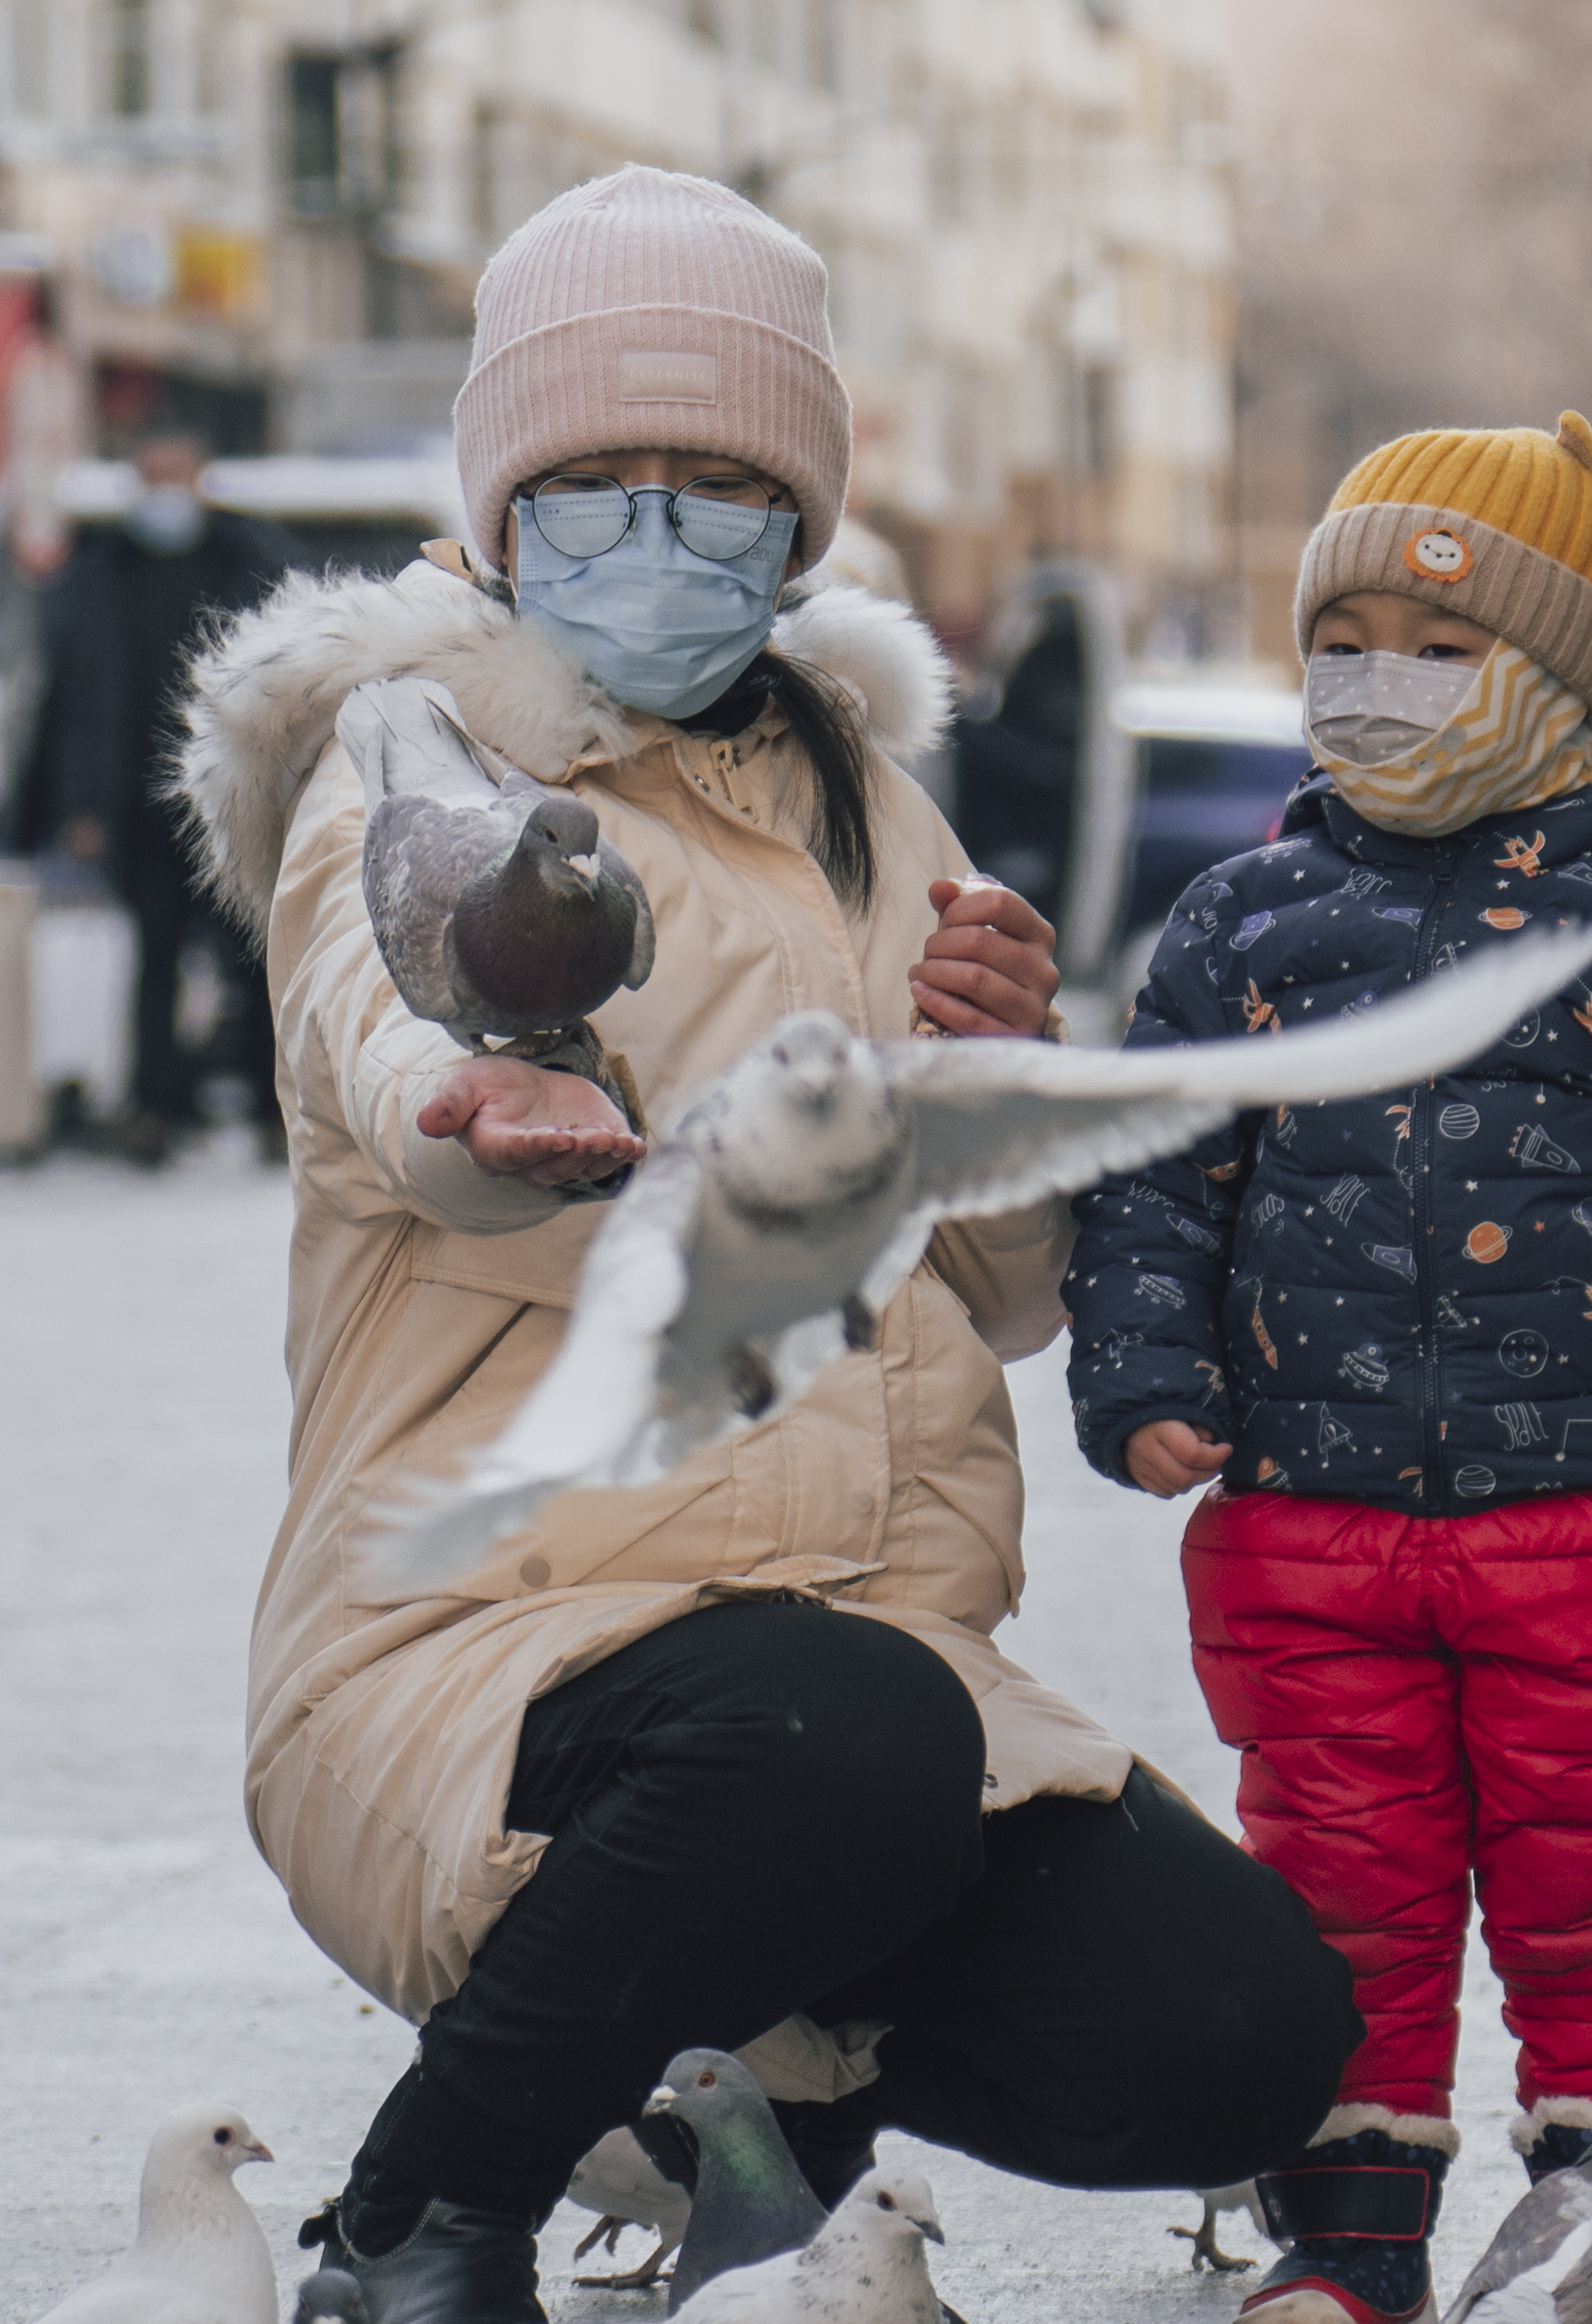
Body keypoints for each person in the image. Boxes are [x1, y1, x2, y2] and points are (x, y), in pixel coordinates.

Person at [171, 167, 1360, 2321]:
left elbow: (987, 1302)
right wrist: (469, 1095)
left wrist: (991, 1080)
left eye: (713, 482)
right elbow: (381, 1041)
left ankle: (747, 2098)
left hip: (855, 1685)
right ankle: (418, 2227)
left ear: (797, 520)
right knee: (833, 1732)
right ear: (502, 502)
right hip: (479, 1656)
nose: (651, 526)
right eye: (593, 479)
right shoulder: (404, 756)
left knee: (1240, 2035)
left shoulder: (859, 804)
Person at [1065, 412, 1592, 2324]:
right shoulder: (1237, 931)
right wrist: (1142, 1367)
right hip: (1309, 1530)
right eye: (1339, 645)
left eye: (1435, 651)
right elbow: (1155, 1176)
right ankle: (1348, 2240)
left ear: (1558, 682)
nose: (1376, 689)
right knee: (1343, 1886)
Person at [32, 428, 293, 1162]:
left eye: (176, 475)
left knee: (255, 960)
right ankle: (156, 1107)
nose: (165, 493)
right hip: (145, 809)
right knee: (155, 958)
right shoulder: (103, 572)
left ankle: (275, 1107)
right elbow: (76, 702)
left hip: (239, 803)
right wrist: (79, 808)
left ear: (204, 478)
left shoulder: (253, 564)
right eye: (151, 477)